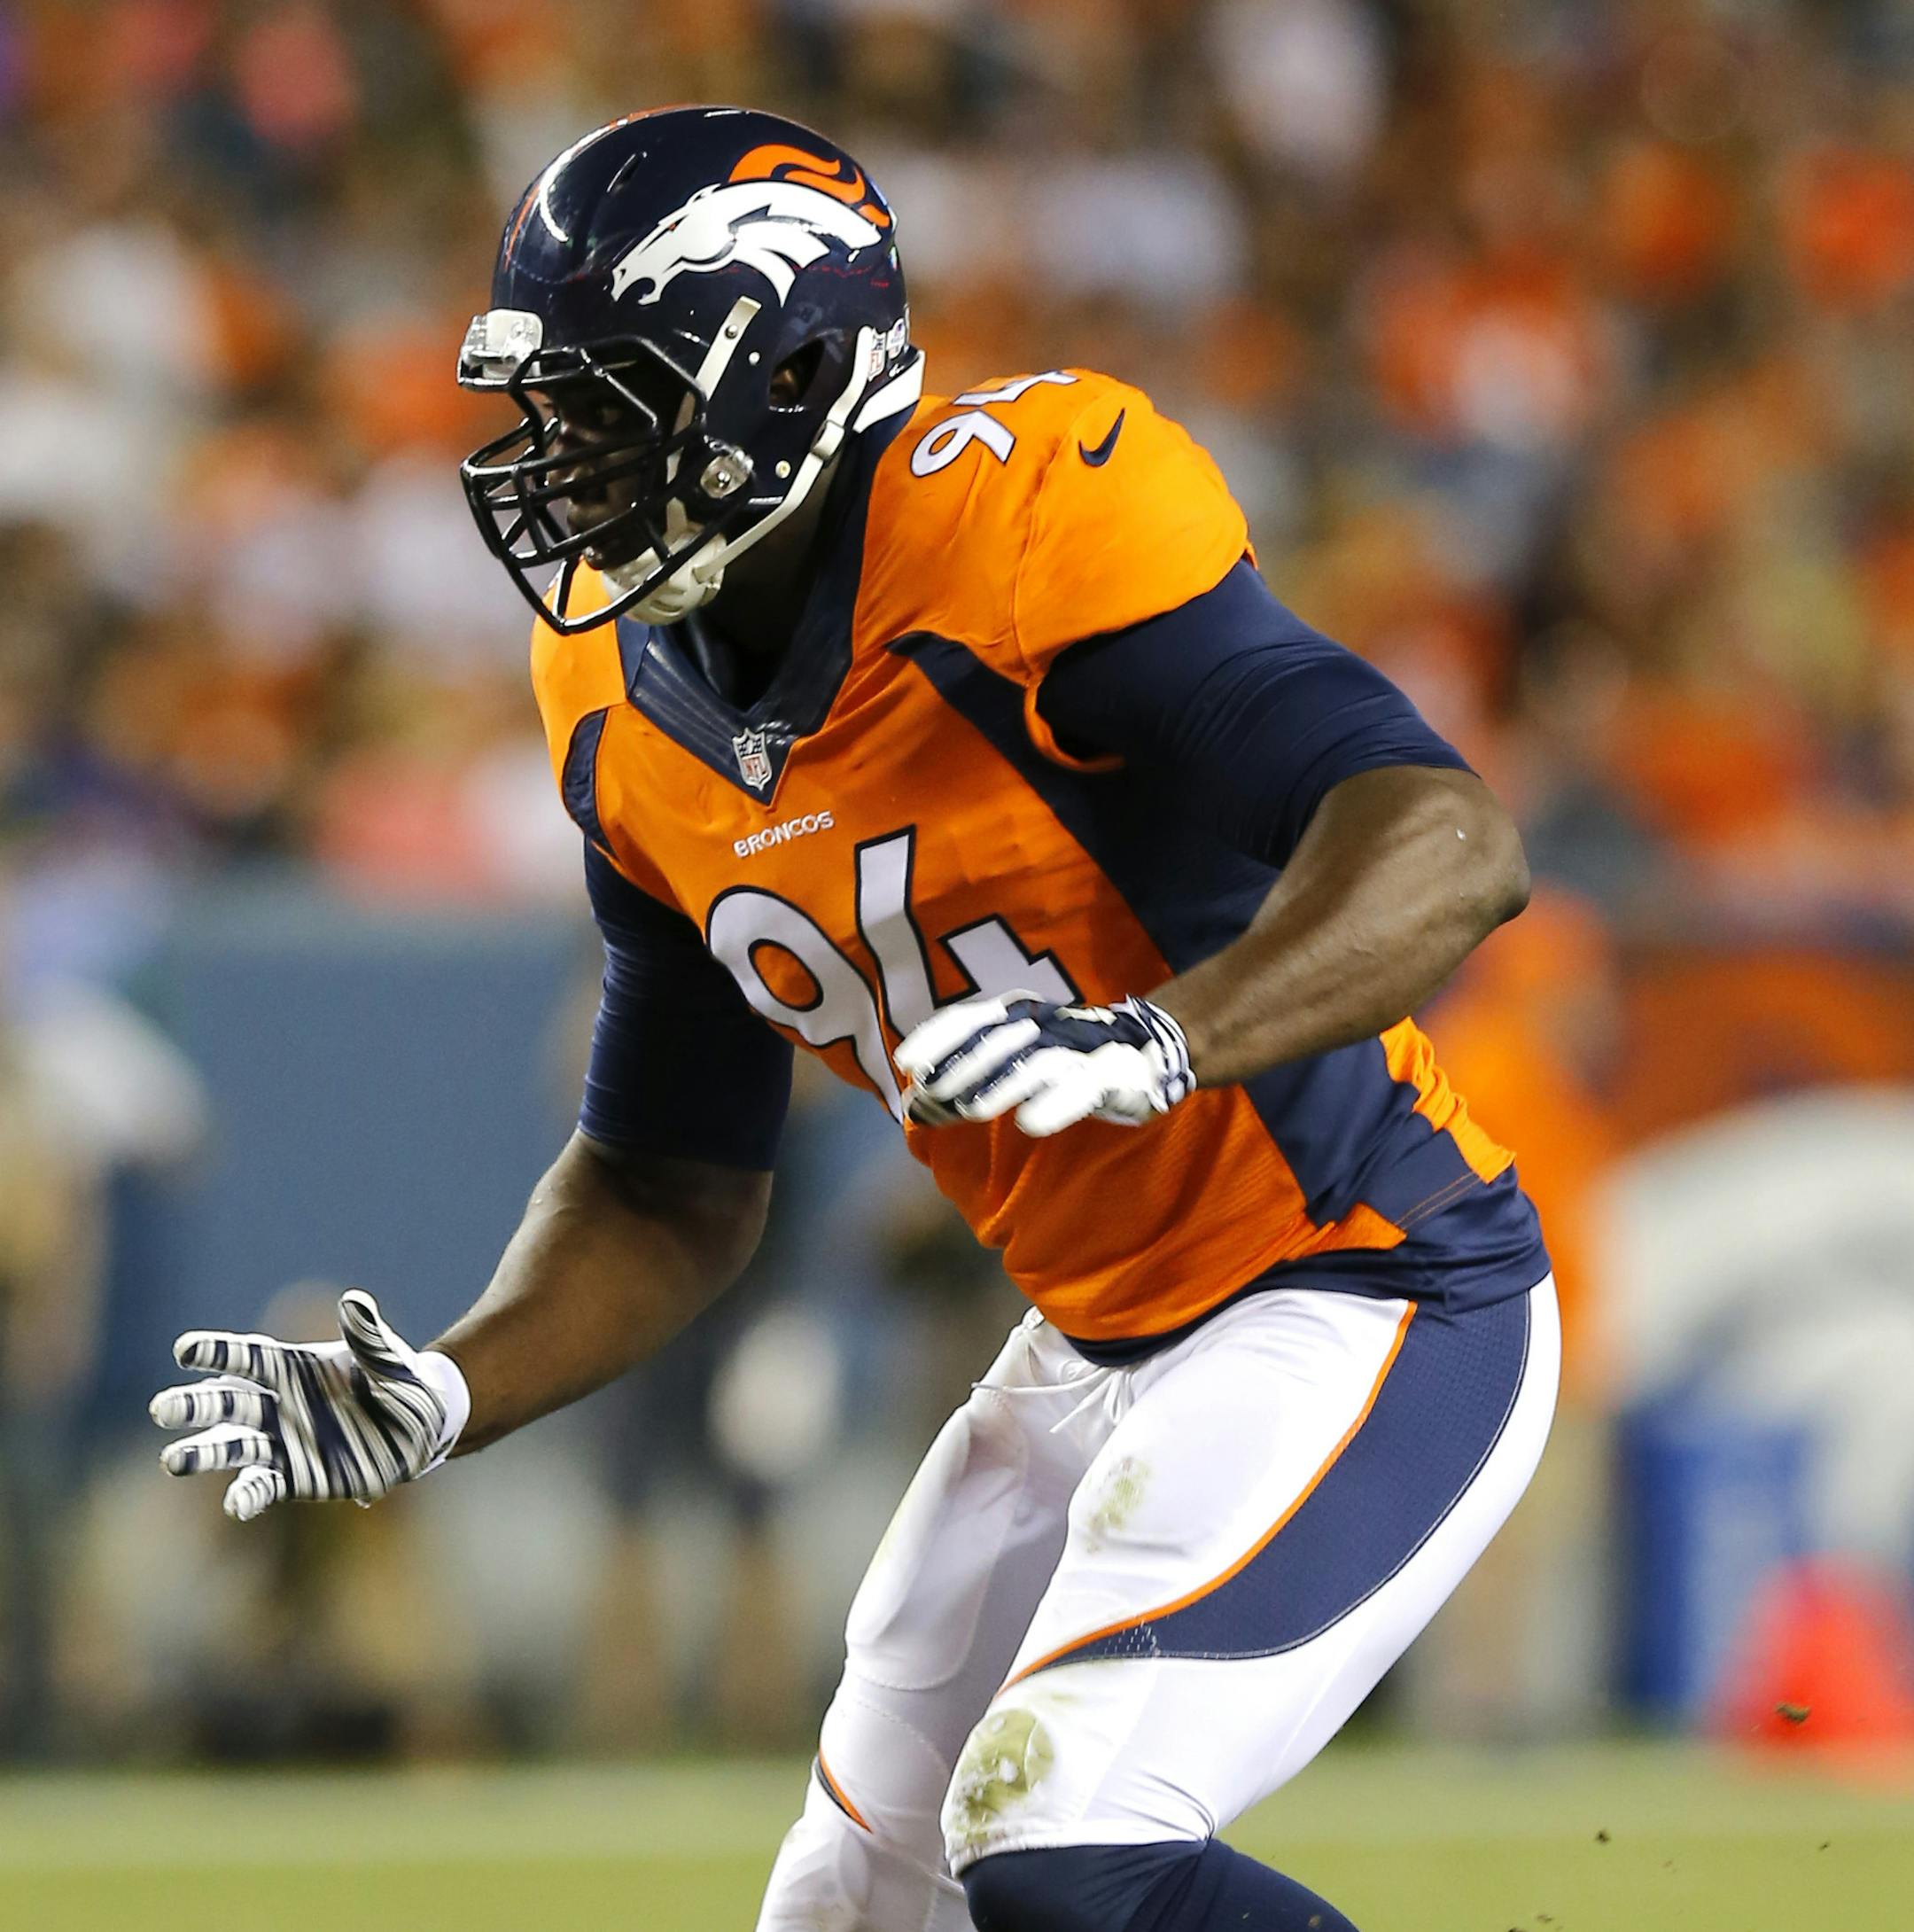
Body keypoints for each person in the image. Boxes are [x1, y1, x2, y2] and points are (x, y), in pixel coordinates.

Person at [151, 108, 1558, 1932]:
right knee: (846, 1914)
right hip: (1092, 1345)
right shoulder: (615, 698)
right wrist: (448, 1388)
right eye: (550, 411)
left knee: (1067, 1843)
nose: (564, 463)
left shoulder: (1020, 526)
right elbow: (669, 1181)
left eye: (615, 404)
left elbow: (1447, 836)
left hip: (1370, 1285)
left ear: (799, 376)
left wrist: (1164, 1037)